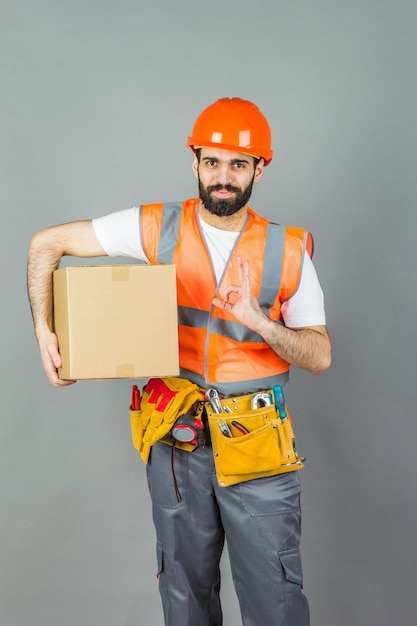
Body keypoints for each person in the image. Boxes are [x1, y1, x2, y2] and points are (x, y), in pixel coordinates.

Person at [28, 97, 331, 626]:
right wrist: (45, 332)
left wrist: (260, 322)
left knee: (275, 602)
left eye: (238, 164)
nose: (223, 176)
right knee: (184, 595)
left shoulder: (288, 249)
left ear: (261, 167)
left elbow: (319, 356)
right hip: (178, 437)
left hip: (256, 441)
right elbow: (47, 244)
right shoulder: (157, 227)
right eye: (211, 161)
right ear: (194, 162)